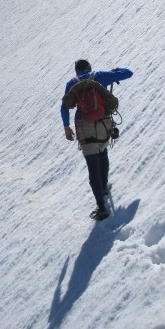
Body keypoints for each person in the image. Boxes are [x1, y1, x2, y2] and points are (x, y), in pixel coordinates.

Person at [61, 59, 133, 220]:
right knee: (103, 151)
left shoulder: (72, 83)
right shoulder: (99, 76)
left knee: (92, 164)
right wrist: (116, 70)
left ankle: (101, 207)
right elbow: (128, 73)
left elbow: (65, 107)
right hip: (103, 123)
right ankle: (104, 187)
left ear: (76, 71)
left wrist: (66, 127)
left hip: (84, 126)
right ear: (89, 68)